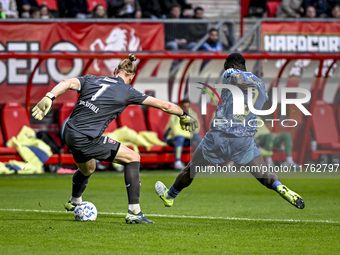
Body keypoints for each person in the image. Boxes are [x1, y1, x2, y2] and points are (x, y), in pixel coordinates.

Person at [32, 54, 198, 224]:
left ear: (114, 71)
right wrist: (184, 115)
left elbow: (66, 82)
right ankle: (134, 212)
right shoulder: (127, 90)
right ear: (131, 77)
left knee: (88, 168)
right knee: (133, 157)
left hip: (69, 132)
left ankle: (74, 201)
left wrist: (49, 97)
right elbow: (166, 105)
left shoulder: (91, 79)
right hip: (86, 137)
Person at [155, 53, 305, 211]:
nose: (225, 71)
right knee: (264, 175)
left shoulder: (231, 72)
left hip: (219, 136)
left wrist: (239, 83)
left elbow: (235, 78)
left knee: (192, 168)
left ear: (233, 66)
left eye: (226, 67)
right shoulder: (260, 84)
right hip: (244, 140)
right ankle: (279, 187)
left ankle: (169, 196)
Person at [164, 98, 201, 170]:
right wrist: (189, 135)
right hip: (171, 138)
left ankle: (199, 162)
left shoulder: (193, 114)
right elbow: (176, 132)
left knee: (199, 138)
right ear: (181, 106)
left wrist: (191, 134)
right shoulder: (175, 115)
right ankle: (177, 162)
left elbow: (196, 129)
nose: (187, 109)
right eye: (185, 107)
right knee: (180, 138)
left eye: (188, 106)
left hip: (187, 138)